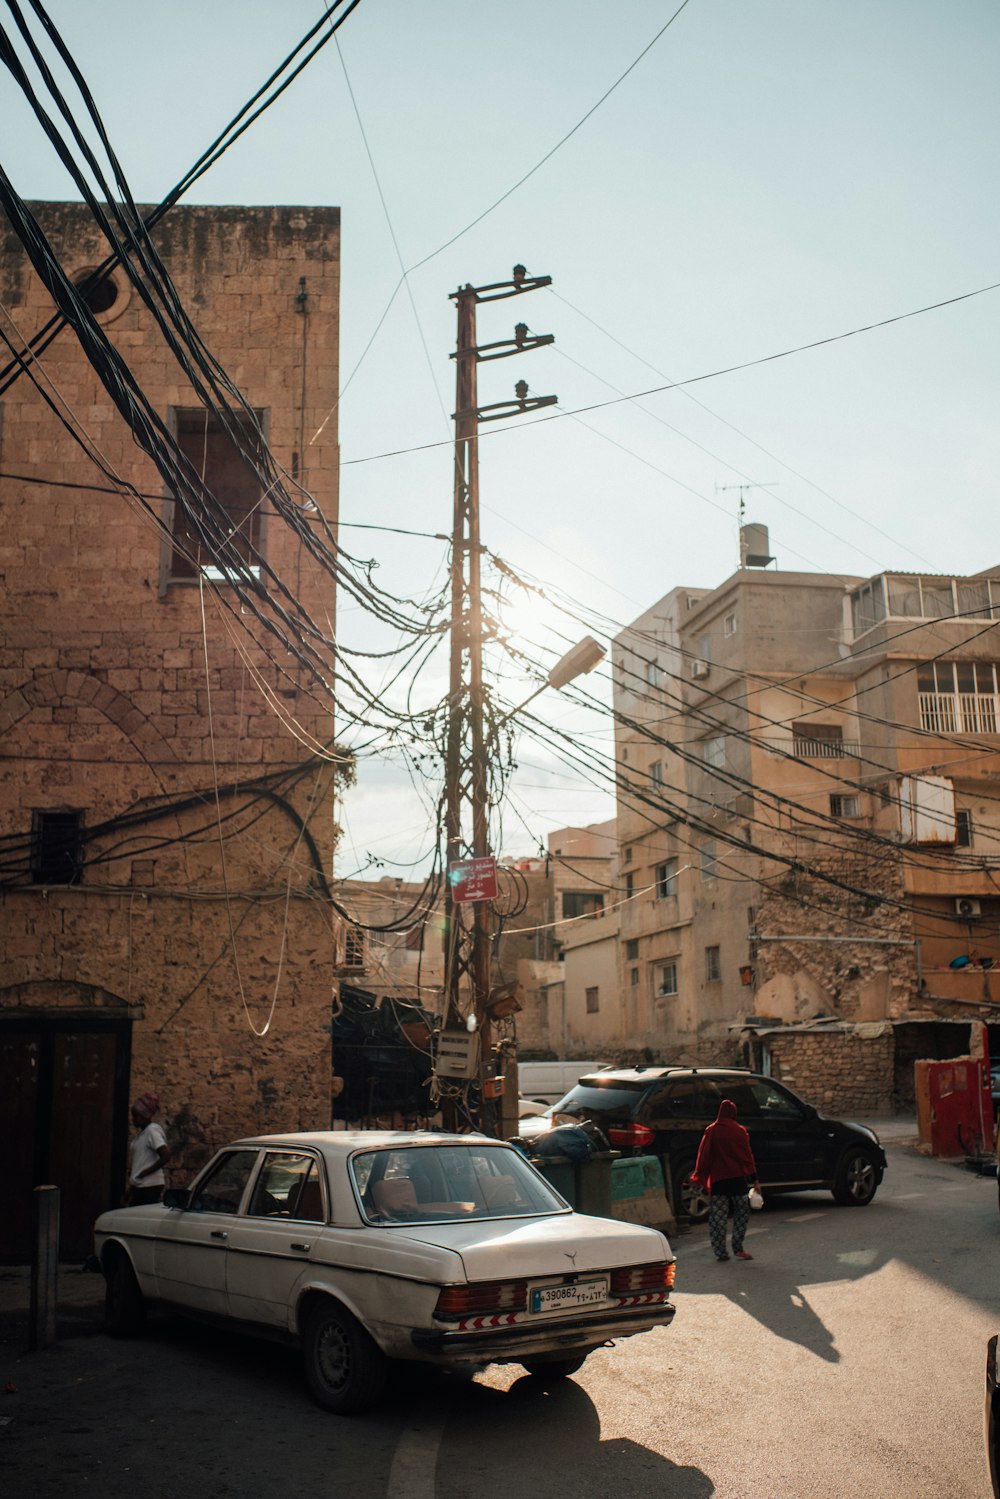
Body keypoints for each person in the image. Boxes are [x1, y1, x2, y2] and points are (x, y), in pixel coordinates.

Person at [691, 1097, 760, 1262]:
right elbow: (746, 1157)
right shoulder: (740, 1131)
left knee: (718, 1218)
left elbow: (704, 1156)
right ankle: (738, 1248)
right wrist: (755, 1179)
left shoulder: (711, 1131)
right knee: (741, 1214)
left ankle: (721, 1252)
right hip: (737, 1181)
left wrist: (699, 1176)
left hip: (718, 1181)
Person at [125, 1093, 171, 1205]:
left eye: (136, 1116)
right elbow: (140, 1164)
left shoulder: (152, 1130)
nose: (133, 1120)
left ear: (144, 1116)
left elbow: (166, 1156)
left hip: (149, 1186)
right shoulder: (142, 1134)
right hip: (141, 1185)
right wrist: (130, 1190)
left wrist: (143, 1174)